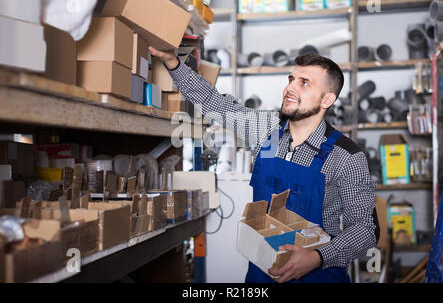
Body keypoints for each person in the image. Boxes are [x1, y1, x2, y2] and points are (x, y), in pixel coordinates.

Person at [149, 46, 380, 283]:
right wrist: (173, 63)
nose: (290, 87)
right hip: (263, 273)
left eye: (304, 83)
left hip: (318, 274)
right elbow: (214, 104)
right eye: (291, 79)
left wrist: (316, 257)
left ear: (327, 99)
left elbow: (365, 230)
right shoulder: (267, 131)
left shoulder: (346, 156)